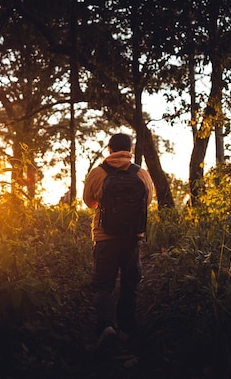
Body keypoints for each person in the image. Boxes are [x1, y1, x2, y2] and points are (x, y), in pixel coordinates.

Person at [82, 133, 154, 351]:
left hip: (105, 237)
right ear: (129, 150)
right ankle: (126, 330)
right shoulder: (141, 173)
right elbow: (147, 201)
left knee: (103, 285)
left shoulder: (98, 172)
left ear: (109, 150)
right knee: (130, 283)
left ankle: (106, 327)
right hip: (133, 238)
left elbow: (89, 202)